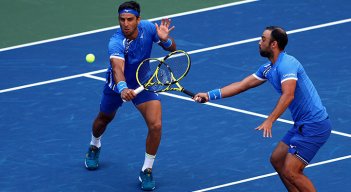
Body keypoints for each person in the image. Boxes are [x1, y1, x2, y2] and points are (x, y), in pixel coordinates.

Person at [194, 26, 332, 192]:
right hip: (302, 124)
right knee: (277, 160)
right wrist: (209, 95)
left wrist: (270, 120)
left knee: (292, 170)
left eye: (263, 39)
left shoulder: (287, 65)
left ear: (273, 44)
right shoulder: (268, 68)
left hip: (314, 125)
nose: (259, 42)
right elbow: (241, 85)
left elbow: (288, 95)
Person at [84, 1, 176, 191]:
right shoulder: (116, 42)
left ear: (138, 20)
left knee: (156, 125)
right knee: (104, 119)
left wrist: (165, 40)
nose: (125, 23)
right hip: (117, 86)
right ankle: (94, 145)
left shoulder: (149, 28)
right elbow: (118, 69)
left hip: (144, 83)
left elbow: (173, 49)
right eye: (122, 20)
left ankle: (147, 170)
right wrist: (123, 88)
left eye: (130, 19)